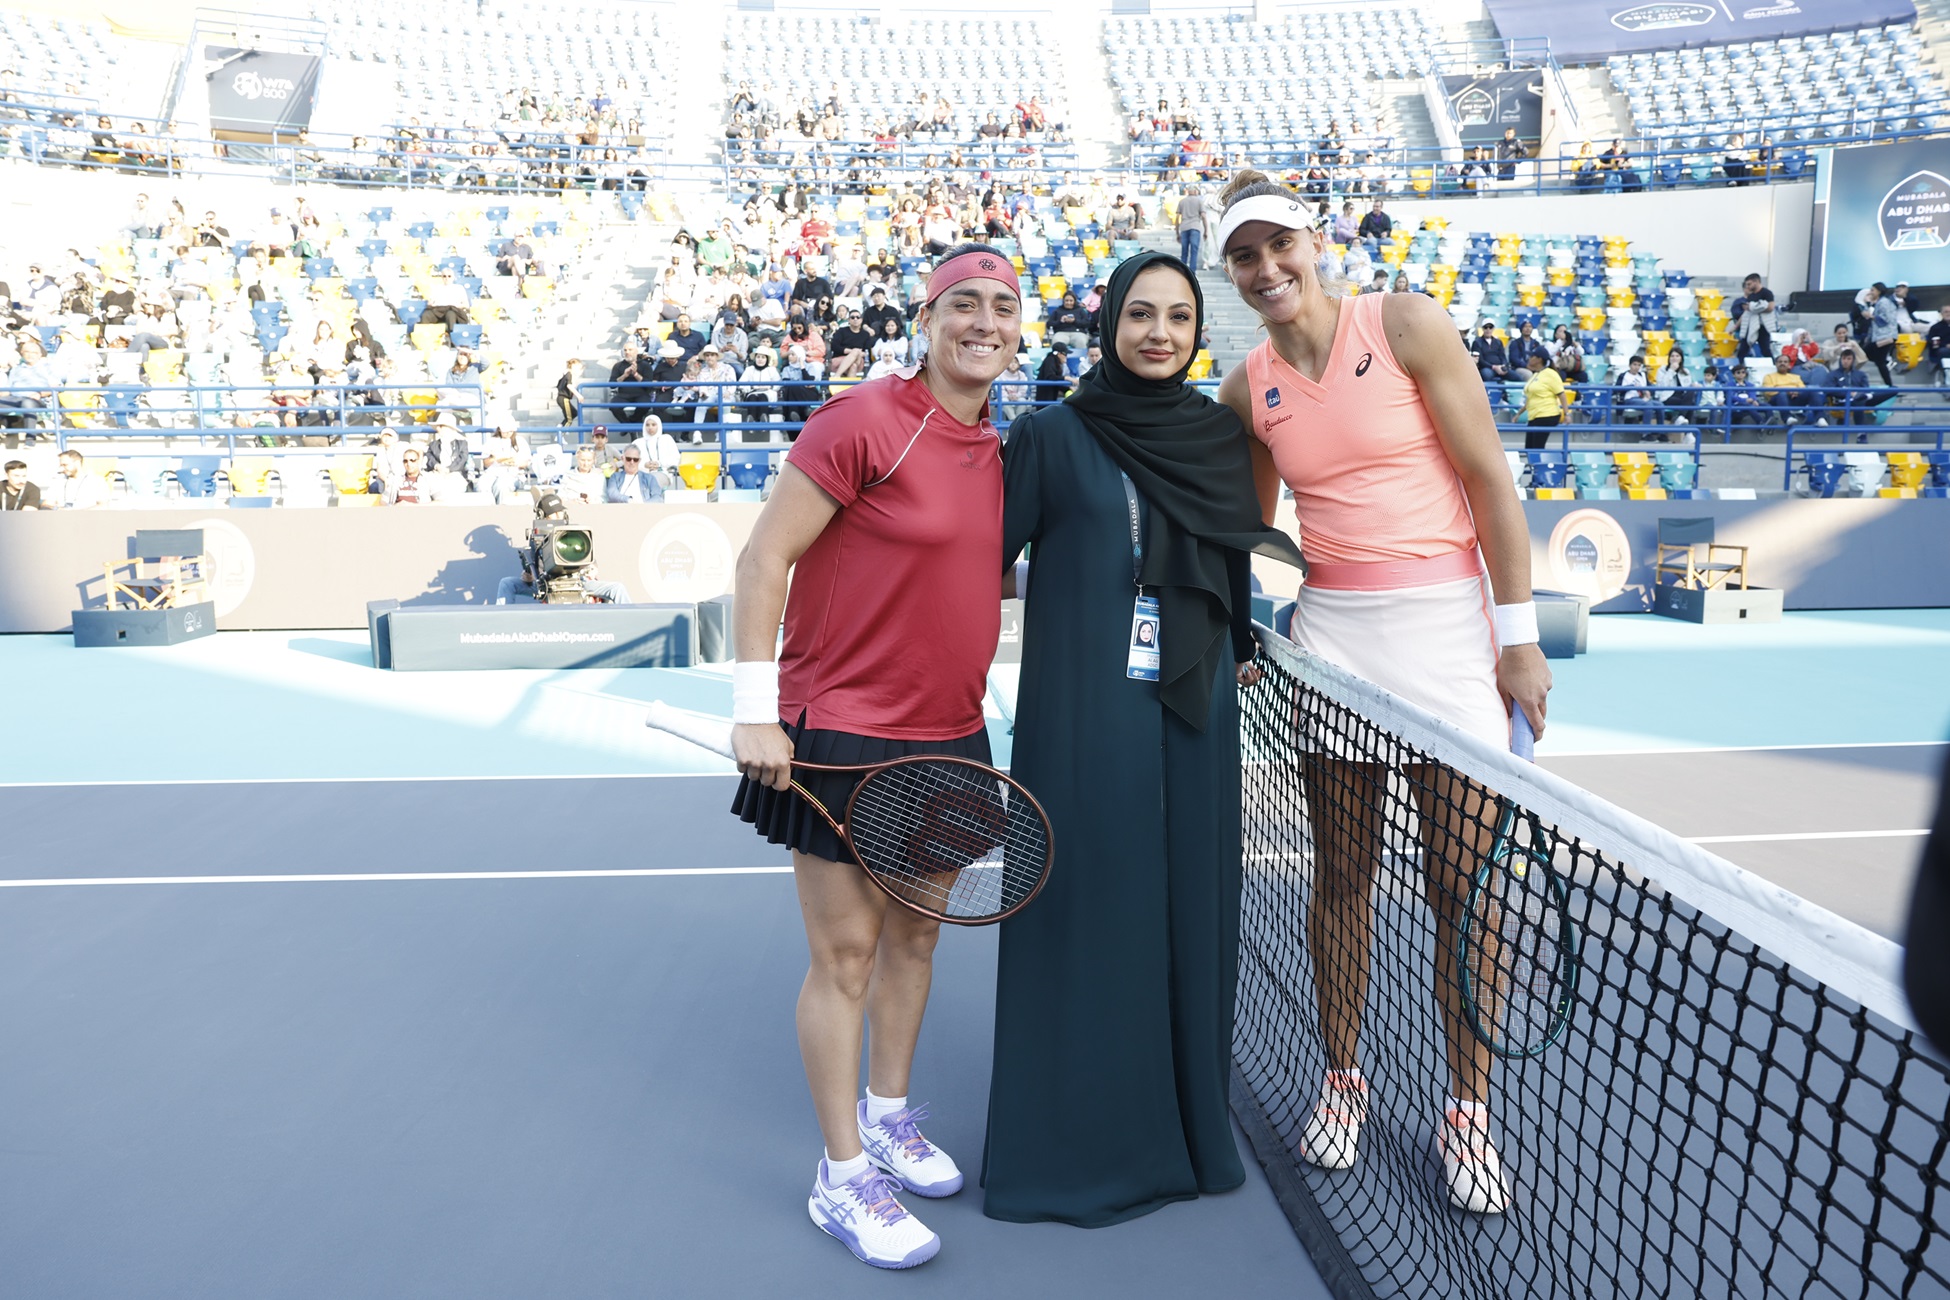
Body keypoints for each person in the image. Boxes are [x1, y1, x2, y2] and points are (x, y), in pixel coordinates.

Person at [1213, 169, 1552, 1216]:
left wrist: (1518, 643)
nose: (1268, 268)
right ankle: (1343, 1080)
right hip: (1337, 646)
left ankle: (1469, 1113)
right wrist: (1235, 623)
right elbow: (1252, 532)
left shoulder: (1405, 324)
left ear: (1313, 242)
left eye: (1280, 245)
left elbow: (1490, 480)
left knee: (1464, 891)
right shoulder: (1247, 388)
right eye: (1245, 256)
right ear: (1231, 272)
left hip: (1450, 638)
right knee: (1342, 879)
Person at [985, 251, 1304, 1227]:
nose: (1159, 332)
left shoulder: (1216, 434)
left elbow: (1231, 558)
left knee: (1187, 908)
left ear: (1198, 332)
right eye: (1140, 314)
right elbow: (979, 562)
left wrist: (1239, 640)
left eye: (1178, 316)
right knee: (1086, 905)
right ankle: (1078, 1136)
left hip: (1196, 710)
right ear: (1109, 324)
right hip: (1080, 712)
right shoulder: (1049, 435)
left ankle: (1187, 1132)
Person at [726, 243, 1021, 1270]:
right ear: (926, 321)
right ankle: (842, 1175)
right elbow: (764, 558)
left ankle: (888, 1117)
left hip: (951, 733)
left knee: (916, 940)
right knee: (846, 956)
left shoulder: (999, 449)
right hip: (843, 730)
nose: (983, 322)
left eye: (1002, 308)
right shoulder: (861, 422)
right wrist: (755, 710)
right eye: (963, 304)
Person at [495, 493, 630, 603]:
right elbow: (533, 571)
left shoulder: (575, 533)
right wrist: (528, 577)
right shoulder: (535, 539)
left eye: (560, 512)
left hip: (578, 582)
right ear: (542, 516)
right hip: (546, 585)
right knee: (507, 583)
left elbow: (589, 560)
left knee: (617, 588)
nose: (558, 516)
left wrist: (592, 568)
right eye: (553, 513)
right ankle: (502, 623)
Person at [1731, 274, 1778, 361]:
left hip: (1763, 326)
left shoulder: (1766, 293)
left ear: (1756, 282)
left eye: (1749, 284)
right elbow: (1746, 313)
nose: (1748, 287)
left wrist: (1754, 308)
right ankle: (1738, 366)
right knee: (1743, 349)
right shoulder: (1751, 296)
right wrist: (1735, 327)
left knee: (1765, 349)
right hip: (1751, 324)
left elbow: (1771, 307)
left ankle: (1773, 365)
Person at [1521, 357, 1564, 450]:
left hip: (1546, 414)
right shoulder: (1536, 374)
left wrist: (1567, 413)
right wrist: (1518, 414)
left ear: (1539, 359)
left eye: (1533, 356)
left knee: (1537, 448)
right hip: (1534, 415)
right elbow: (1530, 399)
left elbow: (1561, 393)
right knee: (1529, 448)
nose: (1529, 359)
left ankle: (1539, 460)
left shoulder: (1550, 374)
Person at [1174, 184, 1207, 269]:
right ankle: (1192, 272)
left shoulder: (1182, 201)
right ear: (1196, 191)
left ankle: (1183, 271)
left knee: (1184, 252)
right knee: (1194, 251)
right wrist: (1206, 231)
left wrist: (1177, 233)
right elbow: (1203, 216)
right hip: (1195, 227)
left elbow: (1177, 218)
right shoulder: (1199, 201)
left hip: (1184, 228)